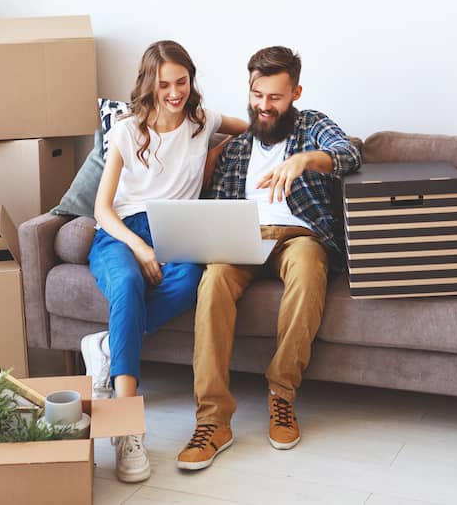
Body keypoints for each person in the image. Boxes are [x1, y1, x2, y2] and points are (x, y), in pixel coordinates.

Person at [176, 46, 361, 470]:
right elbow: (213, 207)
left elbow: (350, 155)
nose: (264, 106)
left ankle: (282, 394)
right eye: (258, 95)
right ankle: (213, 421)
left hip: (299, 235)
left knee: (310, 269)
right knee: (214, 280)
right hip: (243, 235)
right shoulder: (237, 148)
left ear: (295, 91)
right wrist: (206, 168)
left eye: (275, 98)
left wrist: (304, 161)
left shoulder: (311, 125)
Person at [80, 40, 248, 483]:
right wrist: (141, 248)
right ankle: (128, 427)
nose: (174, 92)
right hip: (121, 233)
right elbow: (102, 211)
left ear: (191, 80)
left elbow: (253, 130)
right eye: (164, 85)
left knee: (190, 278)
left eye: (181, 82)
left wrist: (215, 155)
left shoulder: (203, 121)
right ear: (149, 85)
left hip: (176, 231)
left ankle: (106, 345)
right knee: (129, 287)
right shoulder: (126, 130)